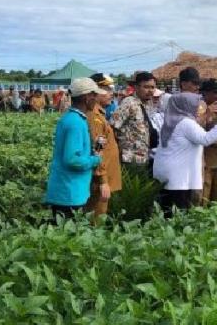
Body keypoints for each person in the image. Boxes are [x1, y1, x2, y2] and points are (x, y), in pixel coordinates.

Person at [153, 92, 217, 217]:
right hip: (178, 176)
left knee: (167, 209)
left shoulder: (171, 121)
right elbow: (205, 139)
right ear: (185, 106)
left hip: (168, 172)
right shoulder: (185, 123)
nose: (197, 108)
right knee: (179, 211)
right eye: (194, 105)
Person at [43, 77, 105, 221]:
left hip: (68, 191)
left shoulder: (71, 118)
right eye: (94, 95)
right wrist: (95, 159)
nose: (96, 99)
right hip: (69, 194)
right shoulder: (75, 123)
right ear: (86, 97)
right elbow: (73, 160)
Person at [86, 73, 123, 220]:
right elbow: (98, 150)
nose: (110, 93)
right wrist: (103, 181)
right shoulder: (95, 118)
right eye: (106, 89)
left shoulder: (100, 115)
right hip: (100, 179)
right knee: (95, 219)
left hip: (103, 176)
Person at [111, 71, 158, 175]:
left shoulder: (145, 104)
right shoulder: (129, 103)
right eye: (146, 87)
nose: (150, 91)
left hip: (142, 158)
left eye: (152, 87)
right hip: (129, 159)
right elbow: (112, 127)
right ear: (136, 87)